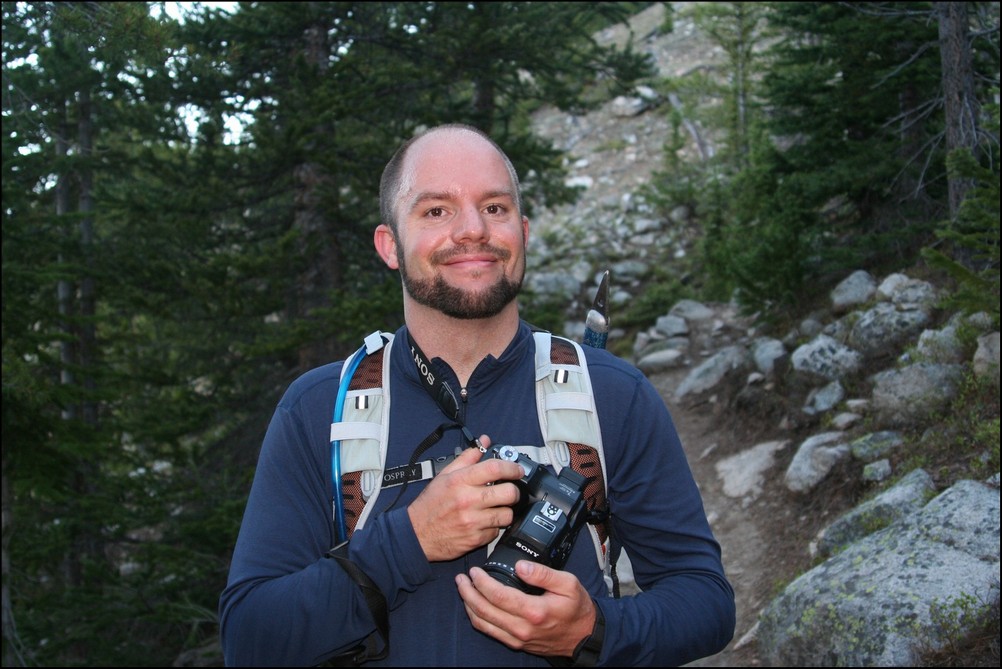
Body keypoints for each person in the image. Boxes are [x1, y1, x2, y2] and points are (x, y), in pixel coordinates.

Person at [218, 124, 735, 666]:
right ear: (389, 245)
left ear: (524, 230)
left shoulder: (611, 395)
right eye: (436, 211)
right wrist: (407, 543)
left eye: (494, 208)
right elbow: (250, 639)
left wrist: (596, 630)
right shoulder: (319, 408)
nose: (473, 230)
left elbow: (705, 602)